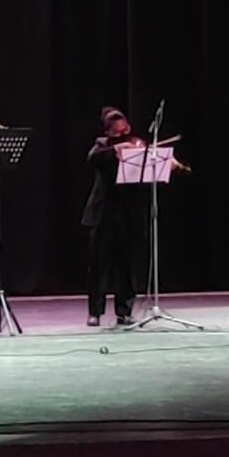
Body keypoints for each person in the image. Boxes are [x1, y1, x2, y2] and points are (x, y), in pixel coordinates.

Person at [82, 108, 150, 327]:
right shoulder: (102, 145)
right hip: (103, 214)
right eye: (117, 133)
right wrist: (117, 148)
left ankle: (124, 310)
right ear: (109, 132)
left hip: (128, 213)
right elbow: (92, 158)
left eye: (125, 131)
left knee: (127, 265)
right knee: (98, 265)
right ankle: (95, 312)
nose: (123, 136)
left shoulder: (137, 144)